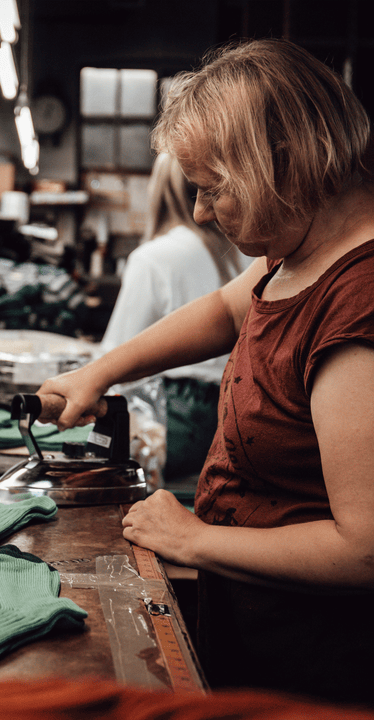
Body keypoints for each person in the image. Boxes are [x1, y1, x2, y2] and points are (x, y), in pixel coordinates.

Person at [37, 38, 374, 706]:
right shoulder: (297, 252)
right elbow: (227, 310)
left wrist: (196, 538)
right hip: (259, 629)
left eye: (214, 190)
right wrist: (98, 372)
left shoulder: (357, 301)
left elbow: (363, 547)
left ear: (283, 164)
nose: (199, 214)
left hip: (318, 669)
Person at [100, 152, 247, 479]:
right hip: (237, 409)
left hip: (179, 413)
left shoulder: (153, 258)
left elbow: (114, 353)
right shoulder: (246, 253)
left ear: (161, 189)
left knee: (87, 450)